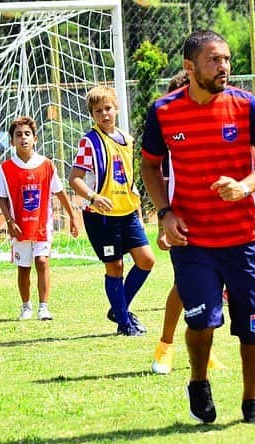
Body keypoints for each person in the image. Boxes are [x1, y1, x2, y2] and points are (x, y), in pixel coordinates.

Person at [141, 30, 255, 424]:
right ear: (190, 68)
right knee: (202, 322)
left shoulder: (246, 106)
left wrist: (246, 186)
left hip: (244, 239)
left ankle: (251, 400)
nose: (223, 66)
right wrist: (165, 212)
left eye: (226, 59)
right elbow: (150, 166)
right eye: (213, 60)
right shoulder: (163, 112)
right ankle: (199, 380)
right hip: (194, 241)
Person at [150, 70, 255, 375]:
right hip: (190, 226)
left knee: (222, 297)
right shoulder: (173, 130)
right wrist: (163, 221)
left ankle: (206, 353)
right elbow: (161, 178)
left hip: (234, 230)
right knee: (184, 289)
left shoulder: (234, 121)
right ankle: (165, 346)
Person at [68, 85, 155, 336]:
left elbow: (125, 176)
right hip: (102, 217)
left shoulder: (127, 140)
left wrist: (134, 193)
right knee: (115, 267)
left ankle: (120, 309)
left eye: (108, 108)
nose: (104, 114)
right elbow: (75, 178)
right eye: (98, 111)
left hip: (126, 212)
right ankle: (124, 325)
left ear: (116, 109)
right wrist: (93, 197)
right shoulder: (89, 141)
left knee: (146, 260)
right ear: (93, 115)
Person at [0, 116, 79, 320]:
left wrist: (72, 216)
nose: (23, 138)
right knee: (24, 268)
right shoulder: (6, 169)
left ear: (35, 139)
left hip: (42, 225)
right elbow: (2, 198)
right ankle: (26, 307)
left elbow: (60, 193)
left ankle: (44, 307)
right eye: (18, 135)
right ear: (12, 141)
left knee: (42, 262)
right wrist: (9, 221)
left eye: (27, 134)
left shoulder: (46, 165)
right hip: (19, 227)